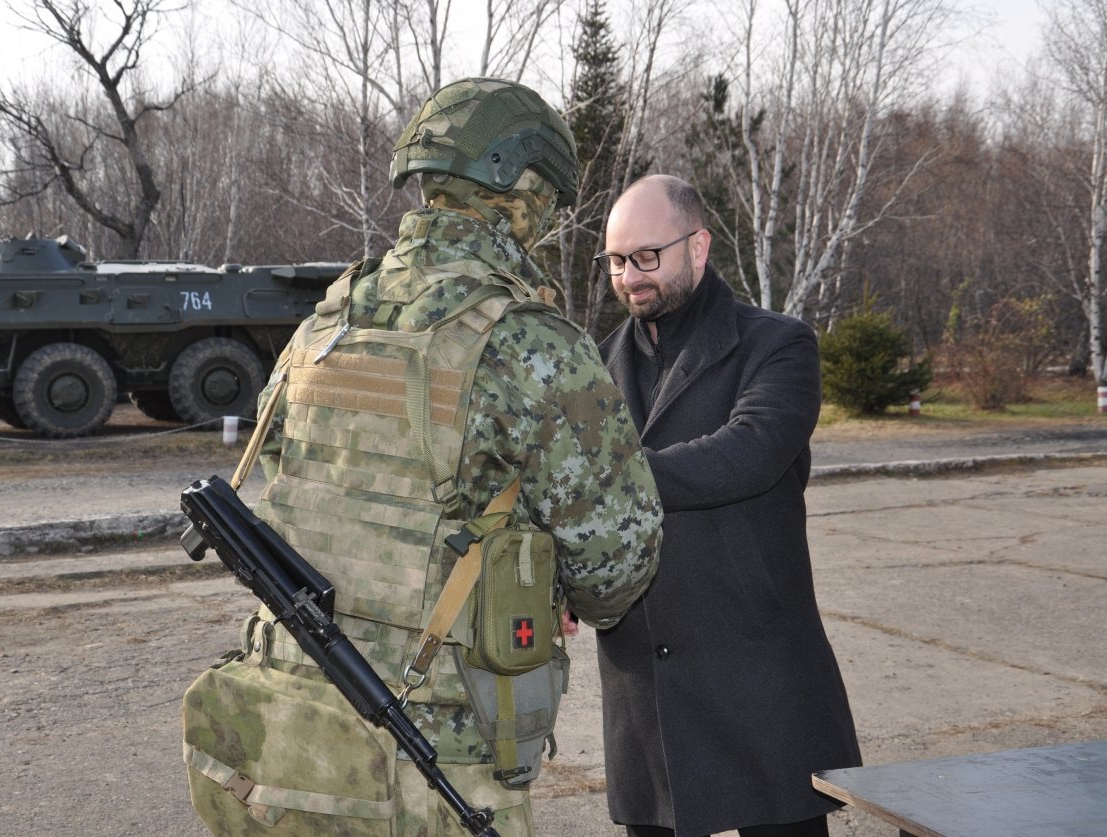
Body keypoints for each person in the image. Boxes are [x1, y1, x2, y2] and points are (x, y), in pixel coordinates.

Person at [184, 78, 662, 836]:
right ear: (525, 187)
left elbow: (279, 491)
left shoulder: (330, 319)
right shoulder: (525, 338)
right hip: (439, 747)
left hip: (293, 724)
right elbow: (617, 560)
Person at [594, 174, 862, 837]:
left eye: (646, 256)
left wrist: (608, 479)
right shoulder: (597, 363)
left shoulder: (777, 343)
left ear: (699, 245)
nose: (631, 277)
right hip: (644, 684)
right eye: (617, 261)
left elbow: (750, 450)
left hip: (757, 678)